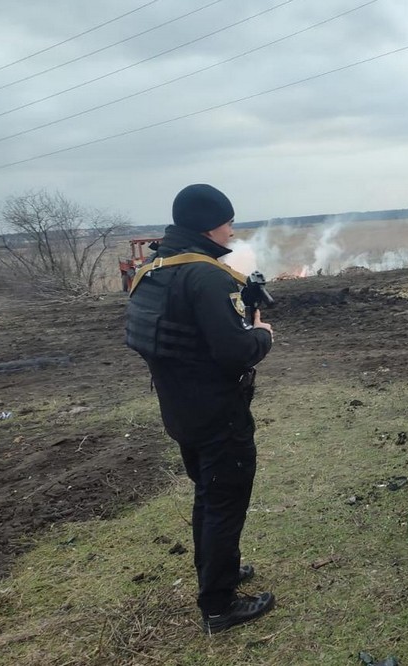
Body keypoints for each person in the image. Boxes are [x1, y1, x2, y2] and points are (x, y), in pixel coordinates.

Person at [125, 183, 275, 634]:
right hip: (216, 412)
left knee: (209, 497)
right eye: (228, 221)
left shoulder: (153, 268)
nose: (232, 230)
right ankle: (219, 606)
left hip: (180, 408)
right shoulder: (205, 275)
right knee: (224, 501)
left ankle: (217, 571)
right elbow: (234, 351)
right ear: (211, 225)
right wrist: (262, 333)